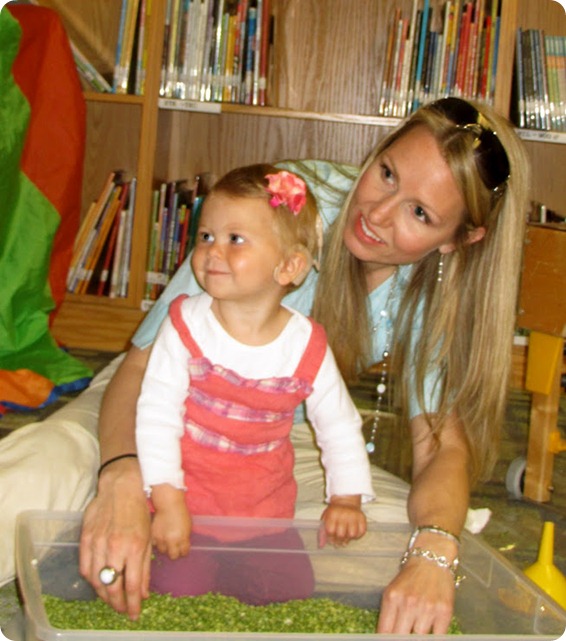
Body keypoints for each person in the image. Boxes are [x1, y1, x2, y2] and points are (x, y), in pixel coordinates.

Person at [79, 97, 530, 635]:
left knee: (400, 546)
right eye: (387, 173)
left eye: (420, 213)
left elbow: (440, 446)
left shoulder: (438, 293)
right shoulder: (283, 205)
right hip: (160, 395)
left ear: (459, 239)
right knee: (44, 475)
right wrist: (123, 476)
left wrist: (433, 552)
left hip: (274, 438)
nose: (377, 214)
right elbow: (140, 372)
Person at [134, 164, 373, 599]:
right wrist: (167, 503)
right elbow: (156, 416)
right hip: (187, 505)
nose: (212, 251)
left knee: (289, 590)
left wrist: (346, 499)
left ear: (289, 266)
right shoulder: (186, 324)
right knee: (178, 589)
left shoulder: (306, 345)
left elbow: (339, 425)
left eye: (235, 239)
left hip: (265, 514)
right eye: (206, 236)